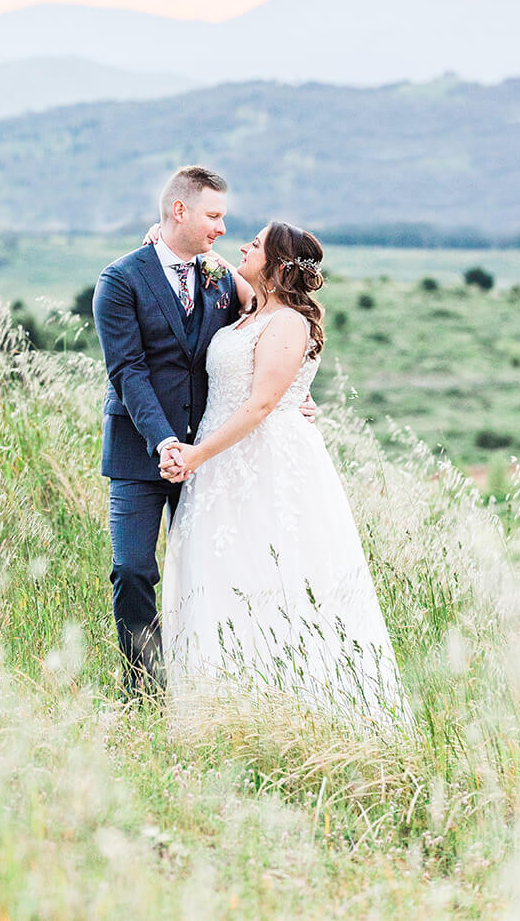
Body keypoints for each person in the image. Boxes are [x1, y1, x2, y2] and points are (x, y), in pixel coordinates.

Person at [160, 221, 412, 730]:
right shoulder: (257, 305)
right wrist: (161, 233)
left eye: (254, 244)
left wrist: (195, 455)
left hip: (261, 460)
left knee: (270, 573)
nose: (243, 248)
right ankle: (215, 704)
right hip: (223, 464)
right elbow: (220, 267)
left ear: (275, 264)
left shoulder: (289, 323)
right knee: (216, 571)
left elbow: (261, 404)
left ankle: (287, 704)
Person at [92, 166, 316, 699]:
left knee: (213, 573)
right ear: (180, 211)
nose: (221, 227)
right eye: (213, 215)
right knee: (133, 571)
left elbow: (272, 328)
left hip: (215, 455)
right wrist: (167, 443)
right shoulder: (120, 280)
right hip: (142, 450)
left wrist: (295, 394)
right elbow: (127, 372)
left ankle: (220, 685)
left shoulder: (221, 279)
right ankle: (144, 690)